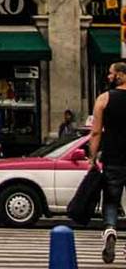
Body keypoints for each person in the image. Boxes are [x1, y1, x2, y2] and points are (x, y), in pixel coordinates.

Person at [89, 61, 126, 263]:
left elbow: (95, 132)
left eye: (111, 73)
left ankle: (110, 230)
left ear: (121, 74)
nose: (108, 77)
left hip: (113, 158)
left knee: (111, 199)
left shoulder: (104, 98)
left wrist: (92, 157)